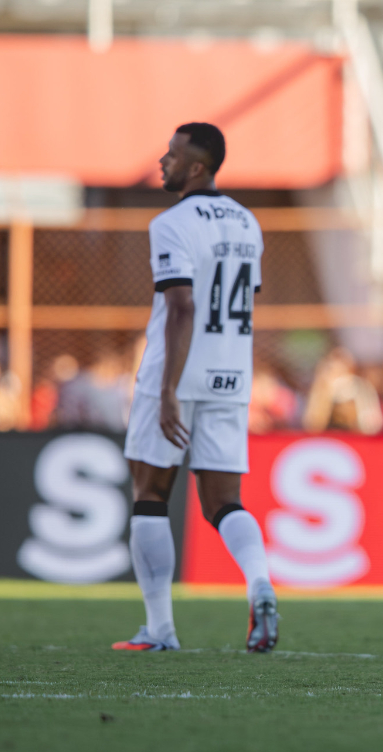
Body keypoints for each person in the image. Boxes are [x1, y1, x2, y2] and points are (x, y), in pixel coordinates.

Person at [115, 122, 279, 653]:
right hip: (231, 374)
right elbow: (244, 299)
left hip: (177, 372)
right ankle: (260, 583)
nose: (163, 161)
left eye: (173, 154)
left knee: (150, 495)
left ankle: (160, 629)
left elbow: (182, 306)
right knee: (224, 501)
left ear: (197, 167)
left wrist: (168, 390)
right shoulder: (247, 221)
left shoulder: (171, 223)